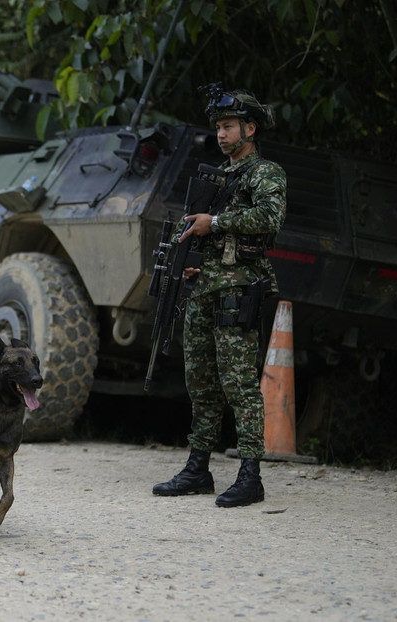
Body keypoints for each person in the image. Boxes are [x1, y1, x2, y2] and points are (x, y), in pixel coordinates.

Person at [153, 85, 286, 508]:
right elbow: (206, 233)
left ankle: (250, 475)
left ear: (250, 128)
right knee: (201, 383)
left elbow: (270, 217)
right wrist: (194, 261)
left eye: (228, 126)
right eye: (218, 128)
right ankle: (198, 468)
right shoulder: (218, 176)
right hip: (205, 288)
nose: (221, 134)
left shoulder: (265, 173)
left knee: (239, 384)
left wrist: (216, 222)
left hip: (238, 290)